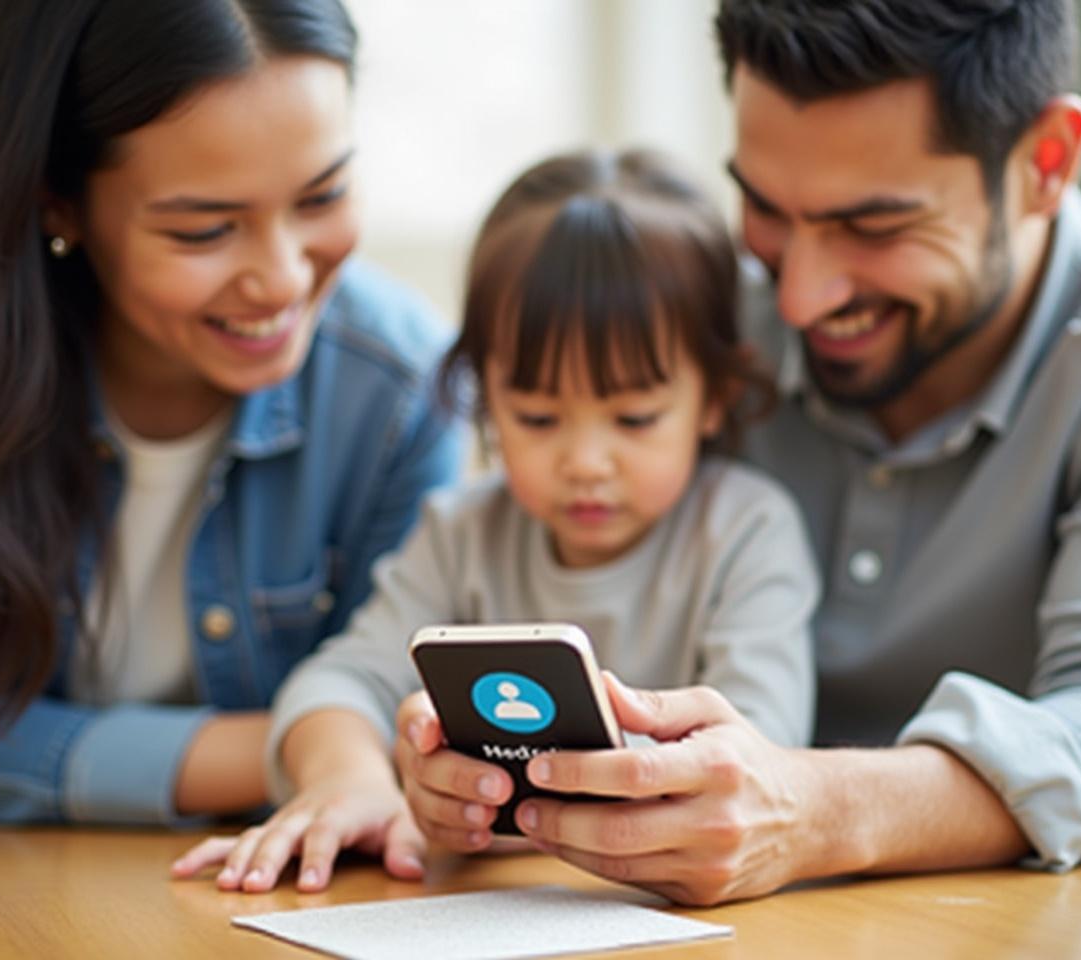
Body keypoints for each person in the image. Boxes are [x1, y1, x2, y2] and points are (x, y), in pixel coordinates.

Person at [392, 0, 1081, 907]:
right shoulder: (697, 329)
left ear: (1045, 161)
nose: (796, 301)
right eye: (766, 208)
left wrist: (813, 809)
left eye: (875, 225)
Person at [0, 0, 462, 826]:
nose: (282, 280)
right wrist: (318, 747)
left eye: (322, 197)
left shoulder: (403, 390)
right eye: (205, 230)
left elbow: (421, 740)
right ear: (54, 201)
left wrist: (355, 759)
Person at [172, 148, 820, 892]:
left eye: (635, 418)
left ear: (714, 397)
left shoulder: (746, 533)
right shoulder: (462, 533)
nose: (585, 461)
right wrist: (355, 779)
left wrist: (521, 810)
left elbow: (762, 755)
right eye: (538, 416)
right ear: (484, 397)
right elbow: (339, 682)